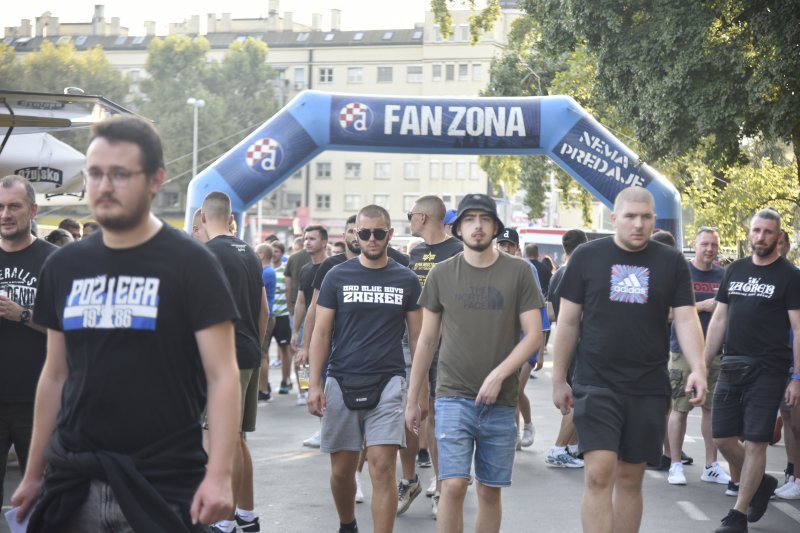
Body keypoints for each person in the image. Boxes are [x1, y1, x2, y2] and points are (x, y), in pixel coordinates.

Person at [11, 115, 241, 531]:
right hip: (74, 481)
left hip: (163, 484)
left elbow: (222, 374)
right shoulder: (63, 265)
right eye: (95, 174)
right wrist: (32, 473)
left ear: (155, 180)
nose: (104, 186)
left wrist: (220, 474)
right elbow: (55, 374)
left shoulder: (192, 264)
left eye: (120, 174)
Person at [551, 186, 706, 533]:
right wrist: (559, 378)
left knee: (630, 478)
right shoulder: (587, 257)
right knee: (599, 472)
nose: (639, 224)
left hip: (648, 385)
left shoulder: (671, 262)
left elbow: (685, 317)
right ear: (614, 218)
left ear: (653, 219)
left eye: (646, 217)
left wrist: (698, 368)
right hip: (595, 382)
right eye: (631, 216)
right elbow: (568, 321)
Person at [406, 193, 543, 533]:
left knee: (489, 491)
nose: (478, 226)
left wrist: (499, 374)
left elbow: (534, 335)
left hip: (501, 400)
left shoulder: (520, 272)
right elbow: (426, 339)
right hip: (452, 395)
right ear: (458, 228)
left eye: (485, 219)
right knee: (452, 485)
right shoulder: (441, 274)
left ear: (496, 226)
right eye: (470, 219)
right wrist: (413, 399)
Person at [307, 204, 422, 533]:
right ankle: (348, 524)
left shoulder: (406, 279)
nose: (372, 239)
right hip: (341, 380)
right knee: (342, 472)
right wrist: (315, 384)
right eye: (365, 233)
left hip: (388, 382)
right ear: (355, 234)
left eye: (379, 233)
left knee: (383, 467)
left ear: (390, 234)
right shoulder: (337, 276)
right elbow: (321, 332)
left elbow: (419, 340)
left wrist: (419, 393)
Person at [704, 208, 800, 532]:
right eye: (756, 231)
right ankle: (762, 483)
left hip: (770, 368)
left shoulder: (790, 275)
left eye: (767, 232)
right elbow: (719, 318)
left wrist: (797, 376)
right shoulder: (735, 270)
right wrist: (701, 365)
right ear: (750, 233)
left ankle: (738, 514)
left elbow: (799, 329)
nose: (760, 237)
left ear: (778, 236)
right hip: (732, 364)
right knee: (722, 438)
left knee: (757, 440)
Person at [200, 191, 268, 533]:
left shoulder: (207, 255)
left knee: (221, 439)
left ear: (201, 218)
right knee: (237, 438)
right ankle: (246, 515)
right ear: (230, 217)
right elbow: (264, 310)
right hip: (248, 351)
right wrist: (255, 345)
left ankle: (226, 521)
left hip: (224, 358)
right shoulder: (250, 254)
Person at [399, 195, 463, 518]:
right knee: (413, 411)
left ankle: (441, 484)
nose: (408, 219)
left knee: (439, 417)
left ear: (422, 217)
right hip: (415, 343)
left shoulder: (458, 252)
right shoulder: (417, 253)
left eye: (410, 214)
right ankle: (410, 478)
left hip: (448, 346)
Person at [0, 175, 58, 507]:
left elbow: (69, 330)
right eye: (0, 207)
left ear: (33, 210)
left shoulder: (54, 260)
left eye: (14, 206)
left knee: (43, 499)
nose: (5, 214)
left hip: (38, 402)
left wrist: (22, 314)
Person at [665, 227, 731, 487]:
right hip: (683, 351)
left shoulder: (724, 275)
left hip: (715, 353)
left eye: (714, 245)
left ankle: (711, 465)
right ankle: (674, 463)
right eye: (705, 244)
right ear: (696, 245)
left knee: (711, 410)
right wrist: (703, 306)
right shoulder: (682, 273)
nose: (709, 249)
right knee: (679, 408)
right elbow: (667, 312)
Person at [495, 228, 549, 454]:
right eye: (502, 244)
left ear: (518, 248)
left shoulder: (527, 269)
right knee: (508, 390)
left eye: (510, 245)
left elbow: (539, 308)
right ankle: (515, 431)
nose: (506, 249)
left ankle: (522, 428)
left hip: (527, 341)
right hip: (502, 343)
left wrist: (541, 349)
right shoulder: (491, 268)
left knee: (516, 389)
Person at [544, 229, 588, 468]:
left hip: (564, 339)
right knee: (578, 399)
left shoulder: (557, 274)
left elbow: (550, 312)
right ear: (585, 245)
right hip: (578, 343)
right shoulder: (580, 272)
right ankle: (559, 448)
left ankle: (570, 446)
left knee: (576, 396)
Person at [292, 225, 329, 406]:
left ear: (324, 242)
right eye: (306, 239)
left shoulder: (332, 267)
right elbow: (300, 302)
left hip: (326, 327)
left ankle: (320, 394)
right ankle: (305, 391)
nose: (307, 242)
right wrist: (294, 330)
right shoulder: (306, 269)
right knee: (301, 363)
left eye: (312, 239)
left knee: (322, 367)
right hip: (306, 325)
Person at [775, 228, 800, 499]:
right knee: (790, 421)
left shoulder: (794, 277)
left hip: (796, 360)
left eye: (780, 243)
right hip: (781, 358)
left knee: (797, 424)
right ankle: (792, 473)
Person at [255, 243, 277, 403]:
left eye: (256, 252)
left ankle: (263, 389)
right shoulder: (268, 271)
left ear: (262, 254)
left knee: (262, 353)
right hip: (268, 315)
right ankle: (264, 386)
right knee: (264, 352)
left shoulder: (267, 272)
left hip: (266, 316)